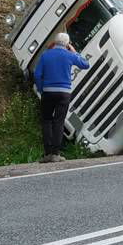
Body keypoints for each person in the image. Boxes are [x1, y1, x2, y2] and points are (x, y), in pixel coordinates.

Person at [33, 32, 90, 163]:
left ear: (55, 42)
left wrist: (42, 90)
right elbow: (85, 65)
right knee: (59, 122)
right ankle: (55, 154)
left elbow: (37, 75)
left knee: (47, 121)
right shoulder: (70, 55)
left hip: (48, 92)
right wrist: (75, 52)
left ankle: (47, 154)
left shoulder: (45, 55)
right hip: (64, 93)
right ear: (67, 44)